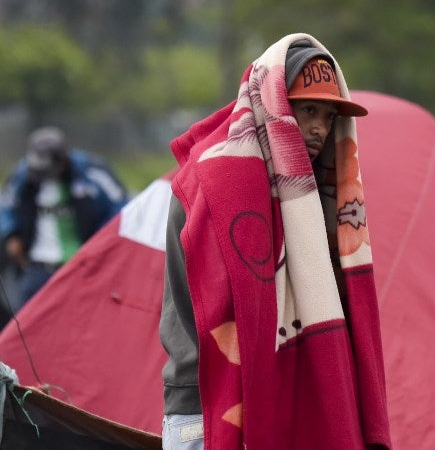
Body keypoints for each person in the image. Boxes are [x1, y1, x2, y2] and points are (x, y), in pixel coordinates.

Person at [159, 34, 391, 450]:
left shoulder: (328, 197)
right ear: (274, 103)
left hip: (299, 399)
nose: (321, 126)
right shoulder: (213, 182)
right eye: (308, 110)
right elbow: (216, 306)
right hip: (206, 406)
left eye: (330, 115)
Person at [0, 126, 128, 312]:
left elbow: (121, 208)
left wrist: (101, 243)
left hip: (83, 266)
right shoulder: (23, 174)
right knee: (29, 331)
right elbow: (5, 207)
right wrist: (11, 234)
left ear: (64, 159)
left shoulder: (92, 172)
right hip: (37, 268)